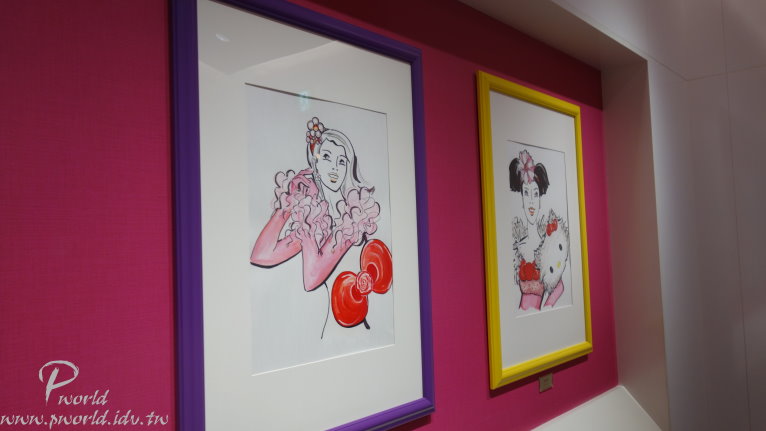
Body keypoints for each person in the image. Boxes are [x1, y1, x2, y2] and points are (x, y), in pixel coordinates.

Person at [250, 117, 385, 331]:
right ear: (315, 163)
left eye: (342, 161)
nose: (335, 168)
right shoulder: (314, 218)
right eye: (327, 157)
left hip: (346, 323)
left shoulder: (353, 216)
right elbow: (261, 255)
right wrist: (288, 203)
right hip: (313, 323)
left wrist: (305, 216)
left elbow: (311, 279)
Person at [509, 149, 560, 310]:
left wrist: (546, 308)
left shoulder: (547, 243)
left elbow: (559, 287)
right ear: (522, 198)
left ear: (540, 199)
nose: (531, 201)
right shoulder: (516, 246)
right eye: (526, 193)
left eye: (535, 194)